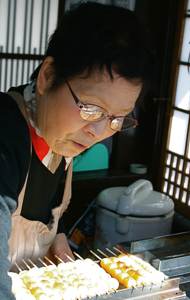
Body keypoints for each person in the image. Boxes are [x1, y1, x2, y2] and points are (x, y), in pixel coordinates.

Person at [0, 2, 154, 299]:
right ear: (47, 76)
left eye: (117, 118)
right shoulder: (6, 135)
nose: (97, 132)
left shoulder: (61, 134)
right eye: (90, 108)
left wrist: (55, 235)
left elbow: (44, 202)